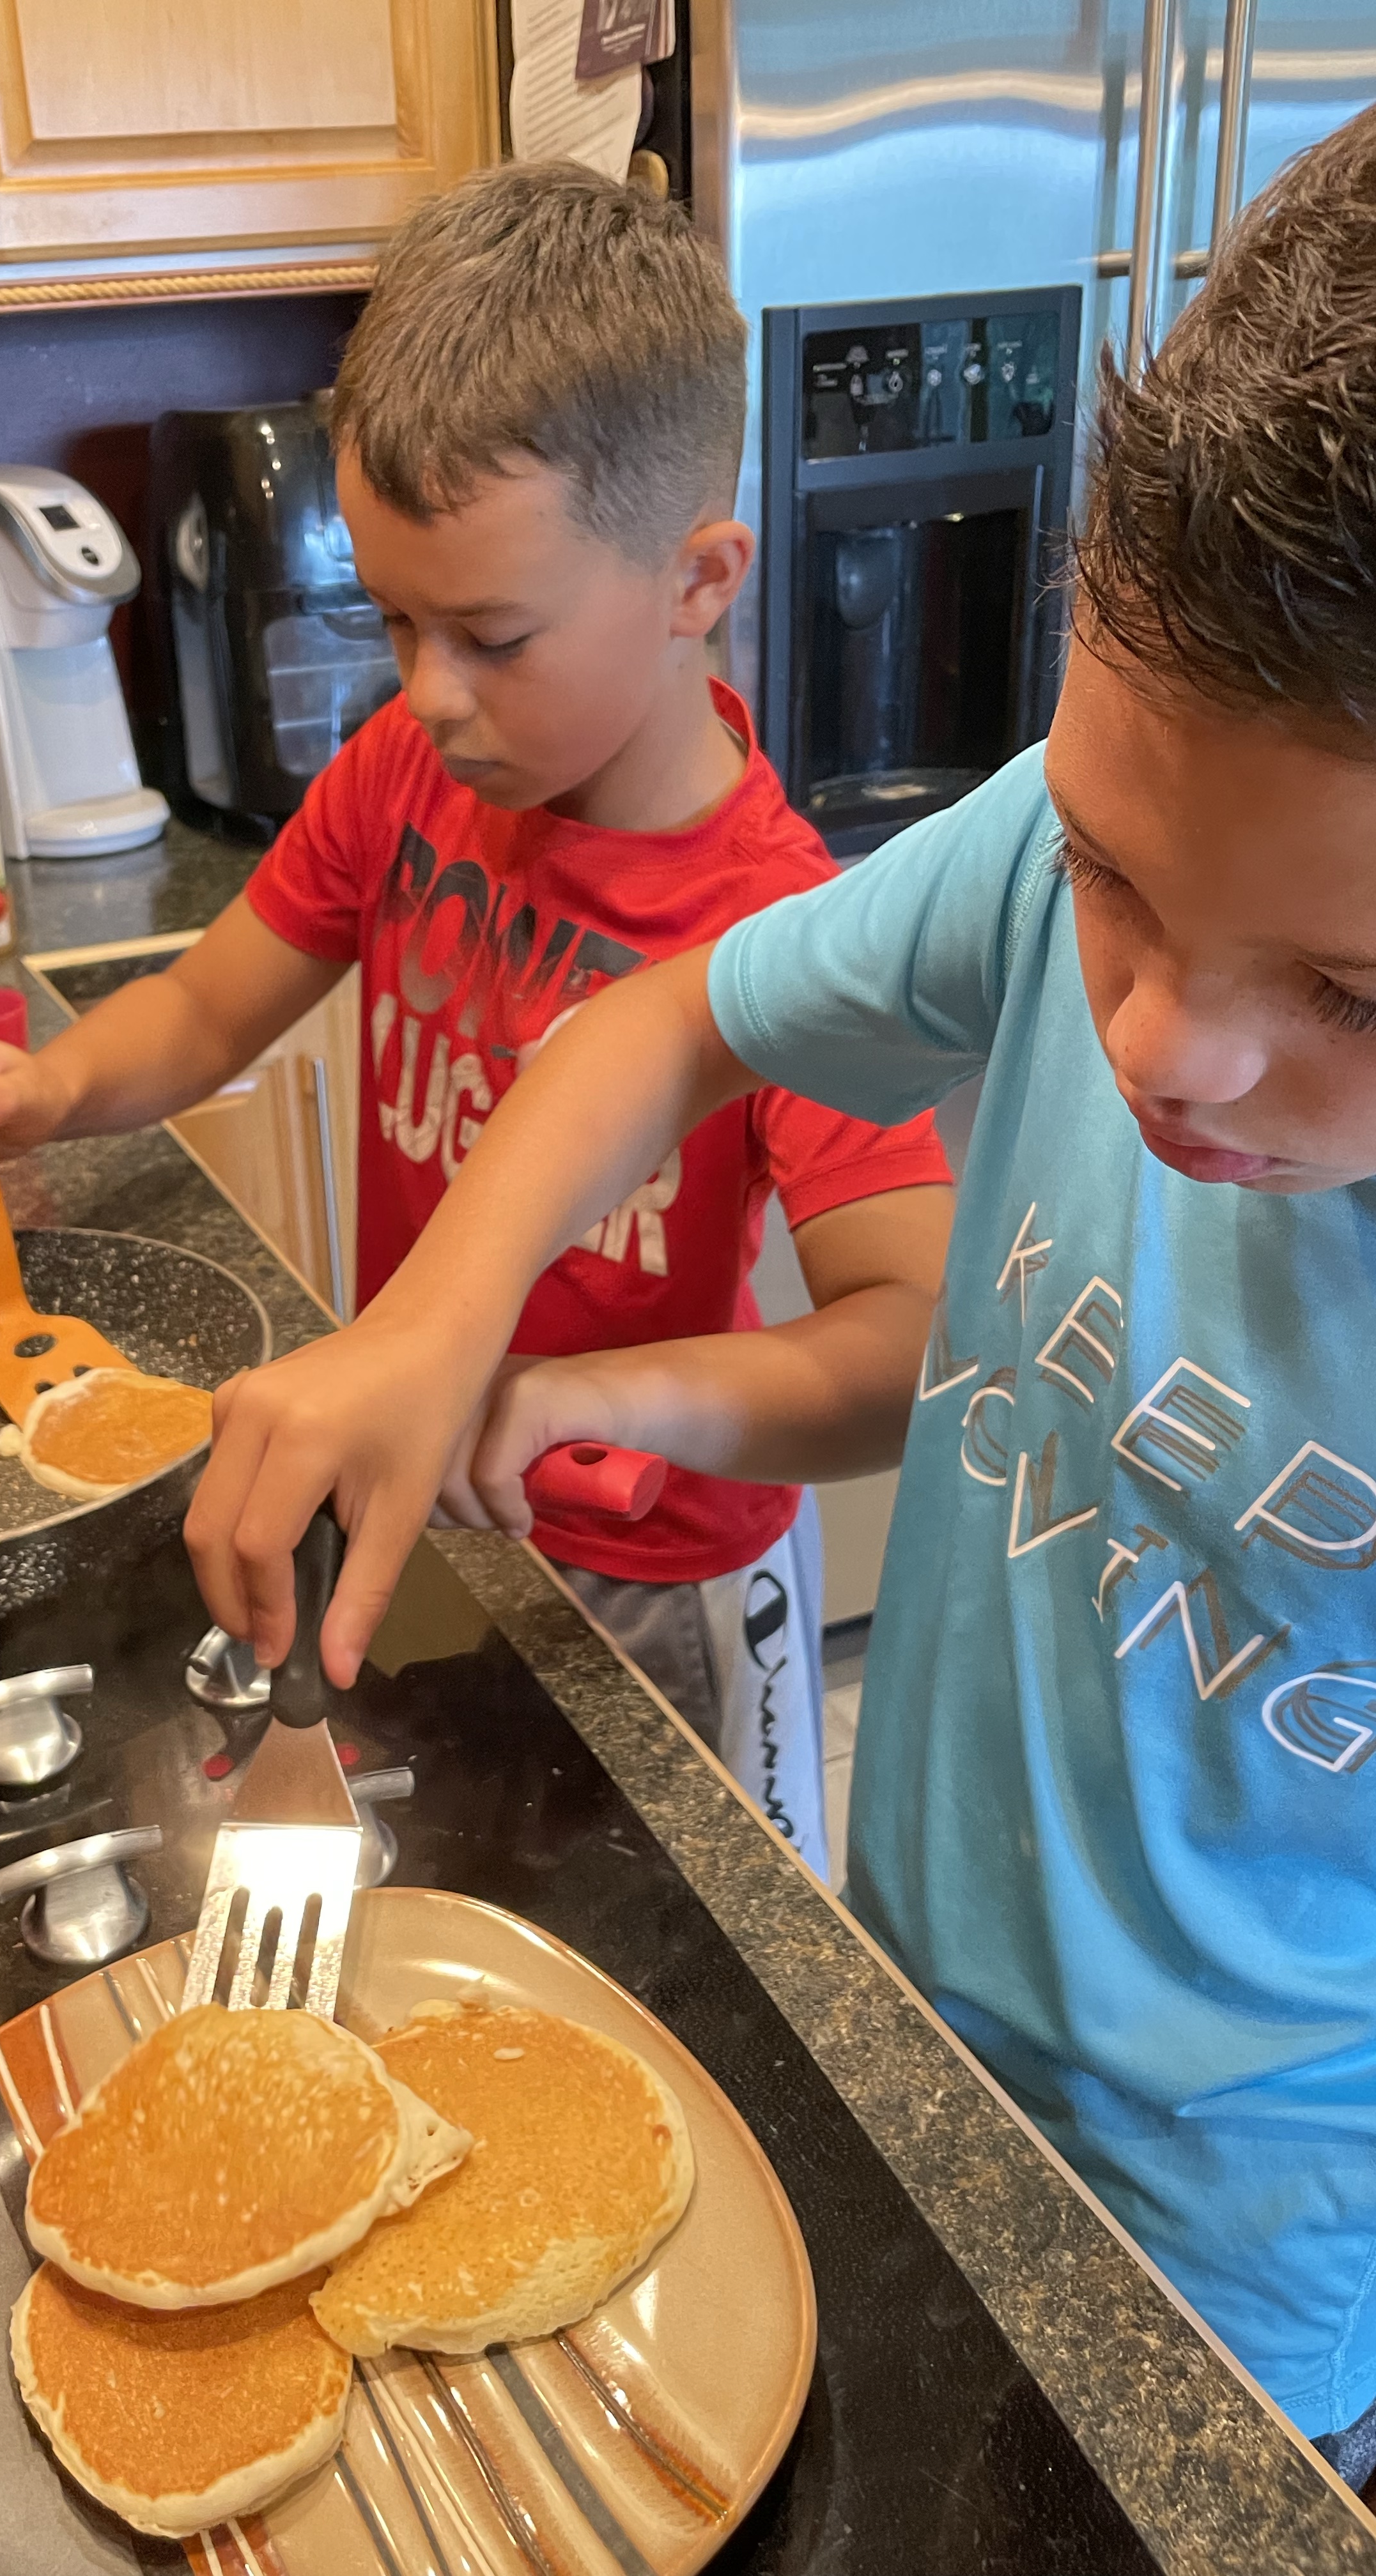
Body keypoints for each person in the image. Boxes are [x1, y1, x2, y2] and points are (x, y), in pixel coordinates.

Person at [182, 111, 1376, 2487]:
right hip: (903, 2032)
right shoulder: (1059, 841)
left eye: (1350, 990)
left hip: (1250, 2274)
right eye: (1118, 880)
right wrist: (434, 1330)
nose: (1158, 1044)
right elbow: (666, 1024)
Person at [0, 163, 955, 1876]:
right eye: (394, 618)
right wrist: (41, 1090)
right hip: (428, 1515)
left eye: (493, 634)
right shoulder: (406, 775)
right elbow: (211, 1006)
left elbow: (909, 1345)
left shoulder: (787, 926)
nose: (427, 691)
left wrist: (596, 1397)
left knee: (692, 1963)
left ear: (698, 579)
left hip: (663, 1581)